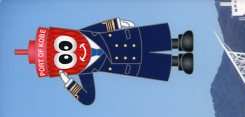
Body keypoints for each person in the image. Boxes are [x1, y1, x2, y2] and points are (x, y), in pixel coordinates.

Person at [15, 18, 194, 105]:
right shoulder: (84, 70)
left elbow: (102, 27)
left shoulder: (84, 33)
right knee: (150, 62)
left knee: (151, 40)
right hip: (128, 63)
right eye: (64, 57)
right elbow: (88, 98)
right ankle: (179, 61)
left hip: (128, 39)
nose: (72, 51)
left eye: (64, 45)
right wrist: (70, 84)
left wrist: (118, 23)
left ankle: (179, 42)